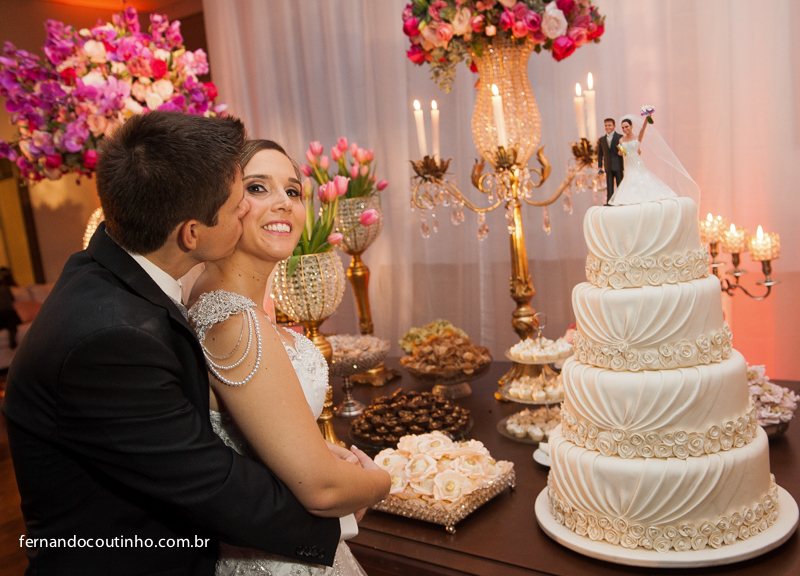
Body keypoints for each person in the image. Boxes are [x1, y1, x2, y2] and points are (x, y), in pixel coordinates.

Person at [1, 112, 344, 576]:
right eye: (237, 201)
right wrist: (348, 505)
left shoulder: (103, 269)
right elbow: (211, 483)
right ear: (191, 233)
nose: (250, 209)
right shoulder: (112, 338)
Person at [188, 139, 390, 576]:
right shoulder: (232, 318)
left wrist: (322, 455)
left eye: (293, 191)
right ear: (220, 206)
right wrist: (381, 481)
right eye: (258, 188)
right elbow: (320, 490)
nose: (283, 203)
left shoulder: (224, 303)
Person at [608, 114, 677, 206]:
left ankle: (645, 195)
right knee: (629, 178)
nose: (625, 129)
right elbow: (620, 151)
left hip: (636, 161)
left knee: (640, 177)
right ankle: (631, 197)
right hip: (628, 162)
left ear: (631, 126)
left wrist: (646, 119)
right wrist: (621, 153)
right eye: (623, 128)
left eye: (626, 127)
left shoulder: (637, 137)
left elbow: (643, 129)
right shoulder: (621, 140)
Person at [596, 118, 624, 204]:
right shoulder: (602, 140)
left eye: (609, 125)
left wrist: (622, 152)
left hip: (618, 165)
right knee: (609, 186)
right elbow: (600, 154)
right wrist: (600, 166)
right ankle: (610, 202)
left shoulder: (619, 137)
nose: (607, 127)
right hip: (608, 166)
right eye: (606, 125)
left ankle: (621, 200)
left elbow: (623, 151)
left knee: (620, 184)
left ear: (614, 126)